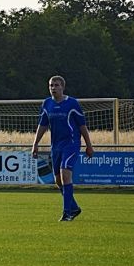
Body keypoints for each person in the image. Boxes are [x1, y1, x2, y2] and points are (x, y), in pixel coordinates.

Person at [31, 75, 94, 221]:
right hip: (56, 146)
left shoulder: (72, 103)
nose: (53, 88)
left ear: (62, 87)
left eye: (56, 85)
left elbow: (82, 126)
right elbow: (43, 125)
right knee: (58, 180)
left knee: (65, 174)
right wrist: (35, 144)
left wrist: (89, 146)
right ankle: (74, 207)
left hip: (71, 144)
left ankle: (67, 213)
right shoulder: (47, 104)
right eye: (51, 85)